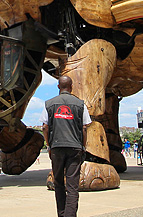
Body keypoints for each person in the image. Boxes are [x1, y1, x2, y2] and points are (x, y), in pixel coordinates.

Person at [40, 75, 92, 217]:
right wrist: (83, 146)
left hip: (56, 147)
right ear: (71, 87)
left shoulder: (49, 104)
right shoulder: (80, 104)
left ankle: (61, 214)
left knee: (58, 183)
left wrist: (49, 145)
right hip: (75, 148)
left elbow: (45, 127)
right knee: (73, 186)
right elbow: (85, 127)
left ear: (58, 87)